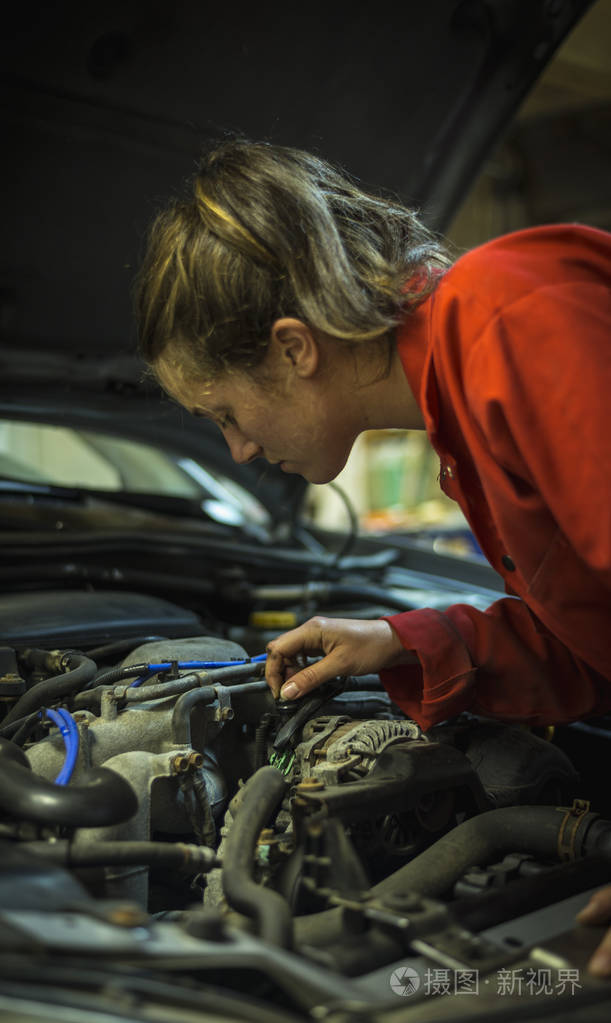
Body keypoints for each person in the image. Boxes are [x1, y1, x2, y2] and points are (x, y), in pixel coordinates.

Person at [134, 138, 611, 973]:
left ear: (293, 348)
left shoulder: (507, 316)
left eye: (225, 412)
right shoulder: (461, 404)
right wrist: (412, 639)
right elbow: (591, 647)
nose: (238, 449)